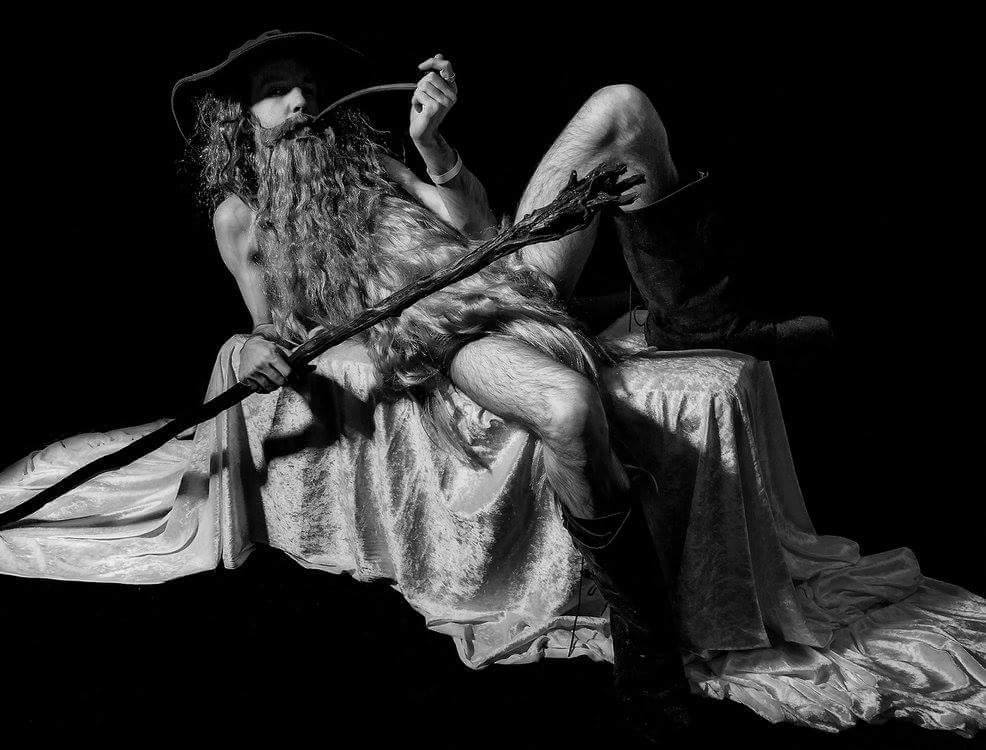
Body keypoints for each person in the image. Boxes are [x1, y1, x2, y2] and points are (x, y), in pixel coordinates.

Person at [173, 30, 695, 729]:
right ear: (241, 115)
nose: (300, 102)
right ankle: (648, 650)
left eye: (309, 89)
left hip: (504, 271)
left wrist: (431, 140)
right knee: (568, 409)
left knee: (621, 109)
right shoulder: (241, 217)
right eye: (276, 91)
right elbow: (269, 326)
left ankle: (697, 314)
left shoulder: (367, 164)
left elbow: (474, 227)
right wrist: (257, 351)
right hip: (448, 336)